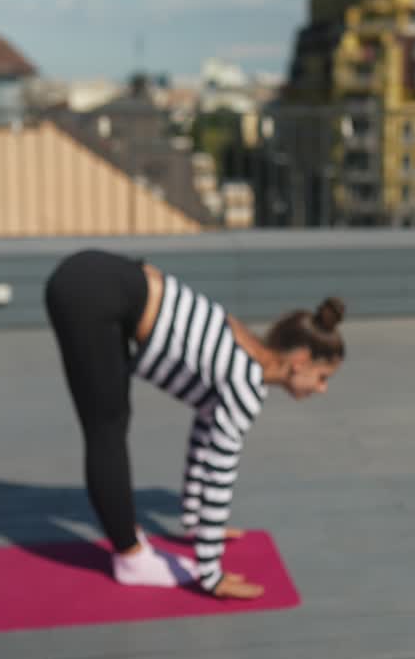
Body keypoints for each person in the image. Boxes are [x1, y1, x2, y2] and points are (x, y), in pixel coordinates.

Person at [43, 249, 345, 600]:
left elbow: (204, 435)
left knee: (112, 420)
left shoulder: (246, 350)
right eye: (322, 377)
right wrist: (211, 573)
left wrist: (196, 522)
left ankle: (128, 542)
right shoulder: (246, 385)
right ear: (301, 360)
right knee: (106, 428)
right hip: (92, 291)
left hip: (98, 280)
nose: (322, 389)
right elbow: (219, 475)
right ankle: (130, 558)